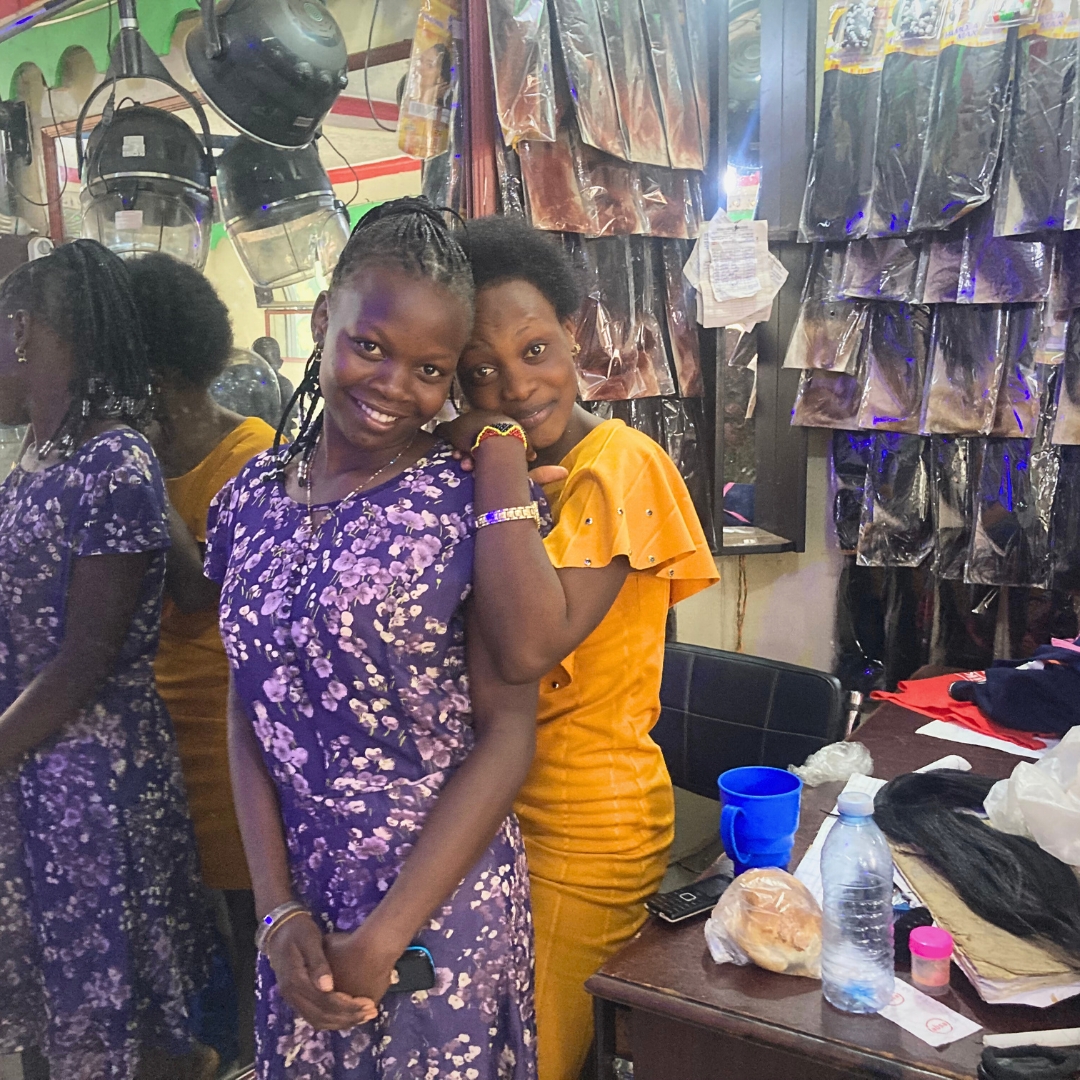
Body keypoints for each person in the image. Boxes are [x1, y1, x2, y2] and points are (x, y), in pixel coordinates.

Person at [204, 198, 539, 1078]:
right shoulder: (247, 500)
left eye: (431, 370)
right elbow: (247, 709)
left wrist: (385, 936)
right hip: (302, 916)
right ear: (323, 322)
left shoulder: (462, 501)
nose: (395, 385)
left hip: (438, 912)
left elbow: (510, 732)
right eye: (371, 346)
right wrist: (275, 913)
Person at [448, 216, 720, 1080]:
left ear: (573, 334)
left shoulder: (620, 463)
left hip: (582, 825)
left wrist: (485, 452)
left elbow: (529, 644)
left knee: (531, 1059)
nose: (516, 387)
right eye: (480, 373)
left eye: (534, 350)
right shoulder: (498, 474)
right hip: (486, 811)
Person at [0, 240, 219, 1079]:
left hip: (92, 778)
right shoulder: (36, 459)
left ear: (23, 330)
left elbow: (86, 656)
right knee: (61, 1008)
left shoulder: (114, 461)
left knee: (110, 1010)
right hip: (36, 764)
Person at [130, 253, 278, 1067]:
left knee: (250, 914)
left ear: (154, 373)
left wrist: (136, 468)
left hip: (229, 724)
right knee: (187, 932)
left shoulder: (250, 454)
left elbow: (200, 596)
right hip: (153, 724)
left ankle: (263, 1056)